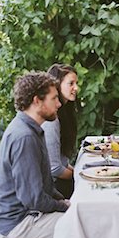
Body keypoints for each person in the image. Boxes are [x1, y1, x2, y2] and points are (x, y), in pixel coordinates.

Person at [0, 72, 70, 238]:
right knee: (84, 229)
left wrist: (62, 201)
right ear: (37, 101)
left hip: (28, 214)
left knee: (83, 221)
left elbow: (45, 188)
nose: (59, 104)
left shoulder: (31, 129)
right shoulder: (25, 137)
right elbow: (33, 199)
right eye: (54, 98)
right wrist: (63, 206)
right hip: (19, 222)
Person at [42, 64, 78, 199]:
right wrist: (80, 177)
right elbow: (55, 169)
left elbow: (62, 161)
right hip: (51, 187)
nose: (76, 88)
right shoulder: (52, 120)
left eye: (76, 83)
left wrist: (79, 173)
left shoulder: (65, 112)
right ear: (57, 85)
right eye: (71, 83)